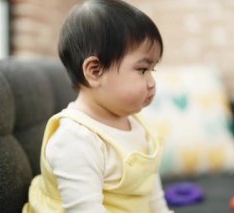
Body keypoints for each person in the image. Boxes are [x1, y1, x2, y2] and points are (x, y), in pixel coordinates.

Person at [22, 0, 172, 212]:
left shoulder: (137, 124)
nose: (151, 82)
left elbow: (152, 196)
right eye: (142, 69)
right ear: (95, 71)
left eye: (152, 70)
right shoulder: (75, 139)